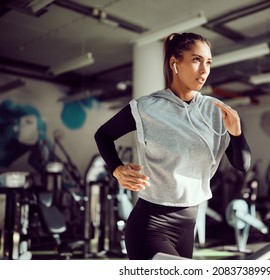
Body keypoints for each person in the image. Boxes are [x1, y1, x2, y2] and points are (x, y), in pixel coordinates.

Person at [94, 32, 251, 260]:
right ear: (174, 63)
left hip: (188, 226)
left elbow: (242, 165)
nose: (204, 70)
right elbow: (103, 135)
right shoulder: (146, 107)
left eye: (208, 62)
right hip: (150, 226)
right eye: (196, 60)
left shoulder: (215, 111)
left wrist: (237, 134)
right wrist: (116, 169)